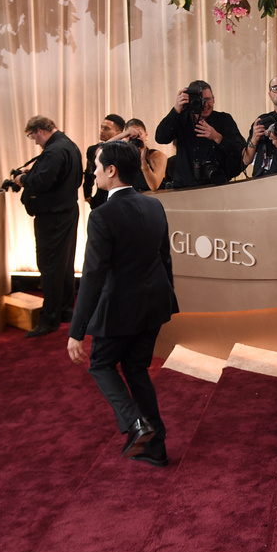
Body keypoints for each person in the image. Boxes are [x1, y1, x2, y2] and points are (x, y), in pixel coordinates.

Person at [67, 141, 179, 467]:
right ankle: (155, 447)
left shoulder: (102, 216)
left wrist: (77, 330)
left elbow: (92, 276)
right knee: (135, 367)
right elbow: (165, 260)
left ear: (111, 171)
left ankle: (137, 424)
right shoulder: (154, 206)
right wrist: (165, 297)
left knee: (101, 364)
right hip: (154, 304)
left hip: (120, 310)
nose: (95, 171)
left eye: (98, 166)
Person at [11, 116, 82, 337]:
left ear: (40, 130)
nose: (34, 142)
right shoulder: (70, 145)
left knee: (50, 266)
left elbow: (42, 182)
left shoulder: (53, 151)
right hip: (67, 212)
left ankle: (49, 320)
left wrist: (22, 180)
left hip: (52, 217)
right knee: (65, 264)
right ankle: (65, 311)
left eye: (32, 136)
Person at [154, 80, 245, 188]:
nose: (205, 105)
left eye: (208, 99)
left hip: (216, 185)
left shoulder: (224, 120)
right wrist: (176, 110)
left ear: (214, 99)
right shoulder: (181, 119)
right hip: (185, 187)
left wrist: (217, 137)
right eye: (200, 100)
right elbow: (160, 137)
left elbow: (240, 151)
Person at [108, 118, 166, 191]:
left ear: (146, 135)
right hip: (131, 200)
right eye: (130, 136)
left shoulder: (156, 156)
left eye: (139, 135)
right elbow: (100, 150)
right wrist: (122, 135)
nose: (134, 139)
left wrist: (143, 161)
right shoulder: (124, 157)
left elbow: (154, 186)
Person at [84, 114, 125, 209]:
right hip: (100, 199)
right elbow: (89, 174)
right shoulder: (94, 149)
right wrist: (87, 195)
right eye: (101, 127)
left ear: (118, 133)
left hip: (119, 198)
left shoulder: (125, 151)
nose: (102, 131)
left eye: (106, 128)